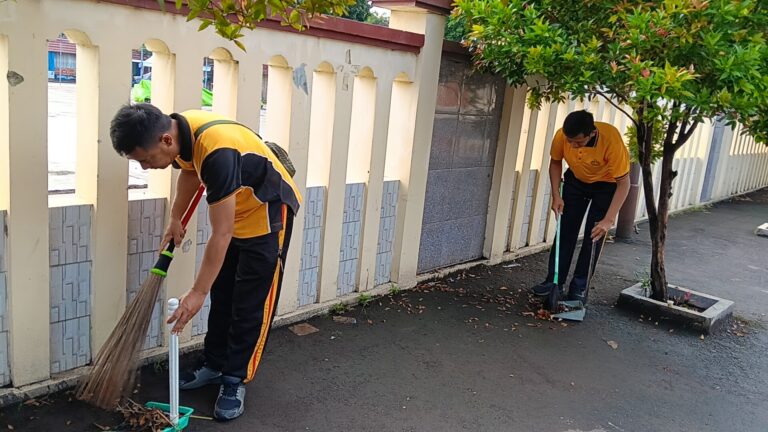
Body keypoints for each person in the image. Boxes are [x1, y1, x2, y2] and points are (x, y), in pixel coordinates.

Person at [110, 103, 302, 421]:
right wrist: (175, 218)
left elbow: (221, 233)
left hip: (267, 214)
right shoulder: (181, 132)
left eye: (144, 160)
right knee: (223, 293)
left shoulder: (217, 152)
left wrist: (196, 292)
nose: (144, 167)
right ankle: (214, 364)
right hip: (237, 209)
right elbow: (188, 171)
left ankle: (234, 379)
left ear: (165, 141)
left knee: (248, 303)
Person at [531, 110, 630, 303]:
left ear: (591, 134)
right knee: (565, 230)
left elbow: (624, 183)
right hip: (576, 181)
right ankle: (554, 282)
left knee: (593, 236)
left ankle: (579, 288)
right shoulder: (563, 135)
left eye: (578, 142)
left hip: (606, 185)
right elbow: (555, 162)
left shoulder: (610, 140)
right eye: (569, 141)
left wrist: (608, 220)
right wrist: (556, 196)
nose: (572, 146)